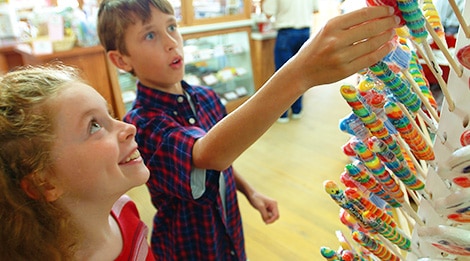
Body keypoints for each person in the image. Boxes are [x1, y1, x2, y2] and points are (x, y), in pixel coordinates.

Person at [97, 0, 399, 260]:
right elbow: (205, 155)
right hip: (188, 246)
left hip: (228, 231)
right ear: (121, 60)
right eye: (150, 35)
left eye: (172, 26)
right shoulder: (144, 124)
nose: (170, 42)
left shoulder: (205, 98)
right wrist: (299, 73)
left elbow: (221, 159)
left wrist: (250, 192)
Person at [0, 64, 153, 261]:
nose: (129, 127)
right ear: (45, 182)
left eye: (110, 115)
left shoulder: (124, 210)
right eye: (94, 126)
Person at [262, 0, 319, 123]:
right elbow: (315, 9)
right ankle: (297, 110)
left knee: (282, 75)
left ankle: (282, 114)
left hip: (286, 33)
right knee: (301, 73)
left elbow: (268, 12)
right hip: (305, 32)